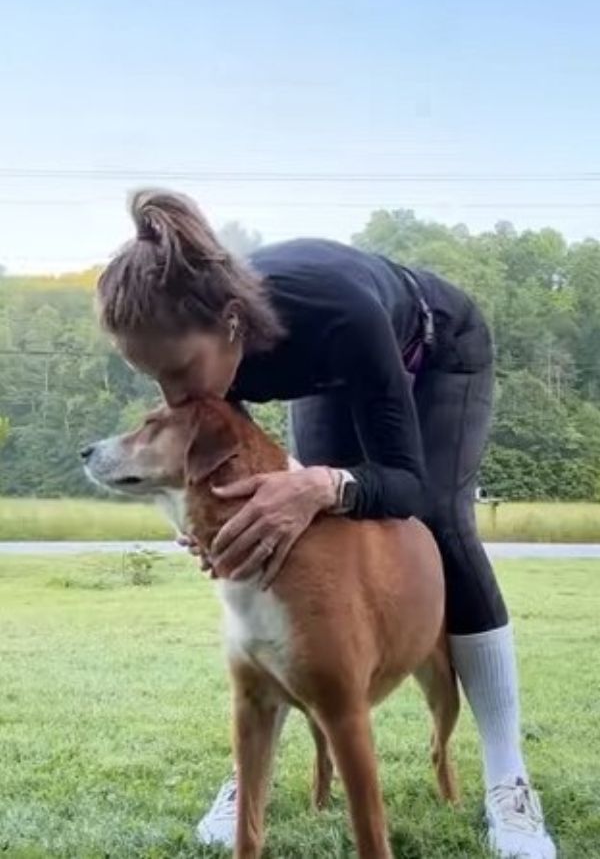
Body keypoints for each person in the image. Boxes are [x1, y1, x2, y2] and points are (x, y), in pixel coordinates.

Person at [96, 190, 556, 859]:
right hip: (330, 375)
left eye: (178, 371)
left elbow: (405, 481)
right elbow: (230, 477)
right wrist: (214, 523)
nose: (175, 396)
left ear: (230, 325)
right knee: (304, 519)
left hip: (436, 347)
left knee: (442, 524)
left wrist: (321, 483)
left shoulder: (340, 316)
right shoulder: (209, 353)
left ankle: (508, 779)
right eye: (153, 377)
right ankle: (250, 772)